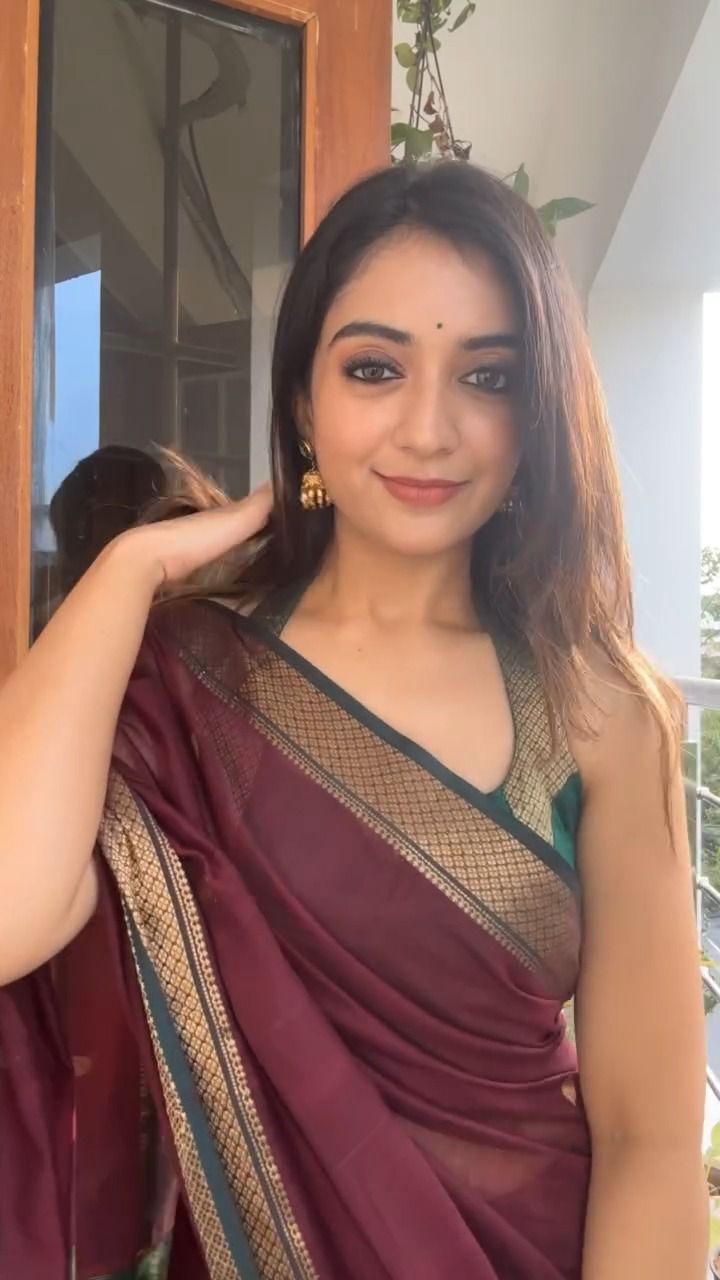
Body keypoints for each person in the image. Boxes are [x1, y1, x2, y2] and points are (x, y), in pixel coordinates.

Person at [0, 162, 708, 1279]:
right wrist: (128, 571)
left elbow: (650, 1142)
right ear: (301, 402)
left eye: (487, 376)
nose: (428, 429)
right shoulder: (188, 677)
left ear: (536, 414)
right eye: (375, 368)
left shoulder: (602, 711)